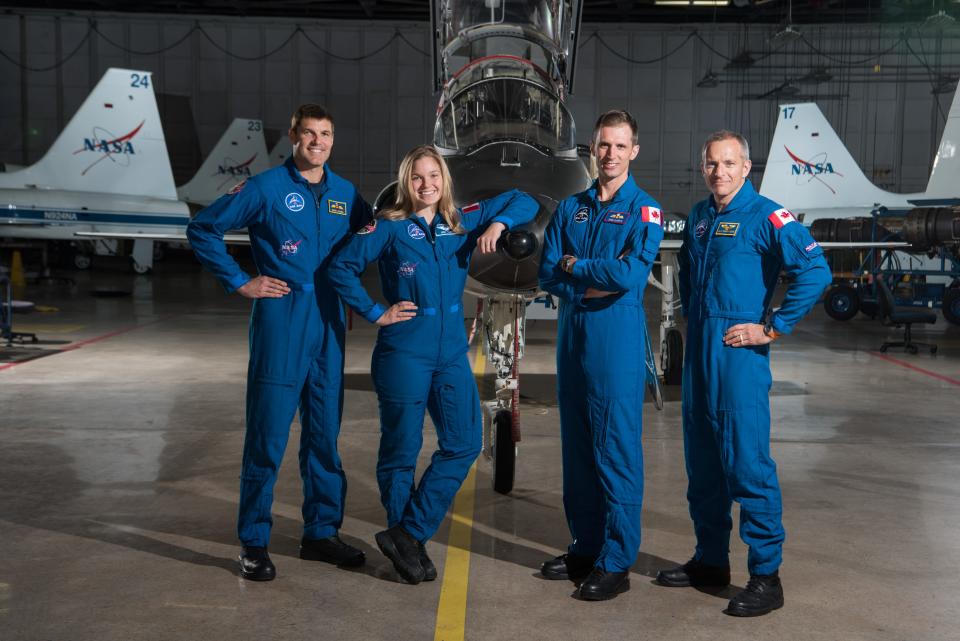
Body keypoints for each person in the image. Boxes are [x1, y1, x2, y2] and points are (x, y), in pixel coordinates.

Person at [326, 145, 538, 584]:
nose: (427, 185)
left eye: (434, 176)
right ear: (407, 182)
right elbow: (341, 268)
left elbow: (526, 199)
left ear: (445, 179)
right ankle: (409, 547)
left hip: (449, 354)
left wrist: (498, 223)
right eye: (417, 177)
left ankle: (409, 533)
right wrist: (374, 312)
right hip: (404, 350)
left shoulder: (462, 220)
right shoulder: (388, 226)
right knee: (401, 453)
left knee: (464, 443)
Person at [187, 104, 372, 581]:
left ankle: (321, 532)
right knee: (268, 436)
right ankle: (253, 540)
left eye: (326, 134)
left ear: (334, 139)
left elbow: (379, 237)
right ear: (293, 136)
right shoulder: (266, 187)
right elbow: (204, 228)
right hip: (282, 318)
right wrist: (239, 280)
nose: (317, 142)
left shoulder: (346, 195)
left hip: (330, 322)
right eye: (309, 133)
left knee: (324, 437)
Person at [655, 130, 831, 616]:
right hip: (700, 359)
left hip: (738, 359)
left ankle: (765, 577)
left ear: (746, 167)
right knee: (703, 467)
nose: (720, 172)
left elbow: (816, 271)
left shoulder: (768, 216)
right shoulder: (699, 215)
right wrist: (691, 317)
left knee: (747, 465)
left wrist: (772, 327)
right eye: (712, 163)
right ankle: (710, 561)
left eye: (729, 163)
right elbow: (689, 270)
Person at [537, 110, 664, 601]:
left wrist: (578, 268)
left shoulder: (643, 209)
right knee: (578, 452)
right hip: (574, 337)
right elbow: (548, 272)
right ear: (592, 149)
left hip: (615, 339)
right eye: (602, 146)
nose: (609, 155)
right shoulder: (572, 209)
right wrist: (589, 277)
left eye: (619, 146)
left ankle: (616, 560)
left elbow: (630, 276)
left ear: (633, 151)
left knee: (616, 450)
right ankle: (584, 546)